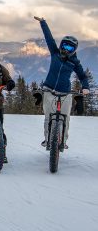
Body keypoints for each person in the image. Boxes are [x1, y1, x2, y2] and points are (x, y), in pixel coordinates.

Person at [34, 16, 89, 148]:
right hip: (48, 89)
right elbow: (49, 38)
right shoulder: (55, 53)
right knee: (48, 117)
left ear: (74, 50)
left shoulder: (74, 62)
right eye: (64, 46)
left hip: (65, 92)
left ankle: (63, 142)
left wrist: (85, 87)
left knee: (66, 118)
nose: (65, 50)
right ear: (60, 45)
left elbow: (82, 76)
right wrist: (43, 22)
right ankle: (48, 140)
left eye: (70, 49)